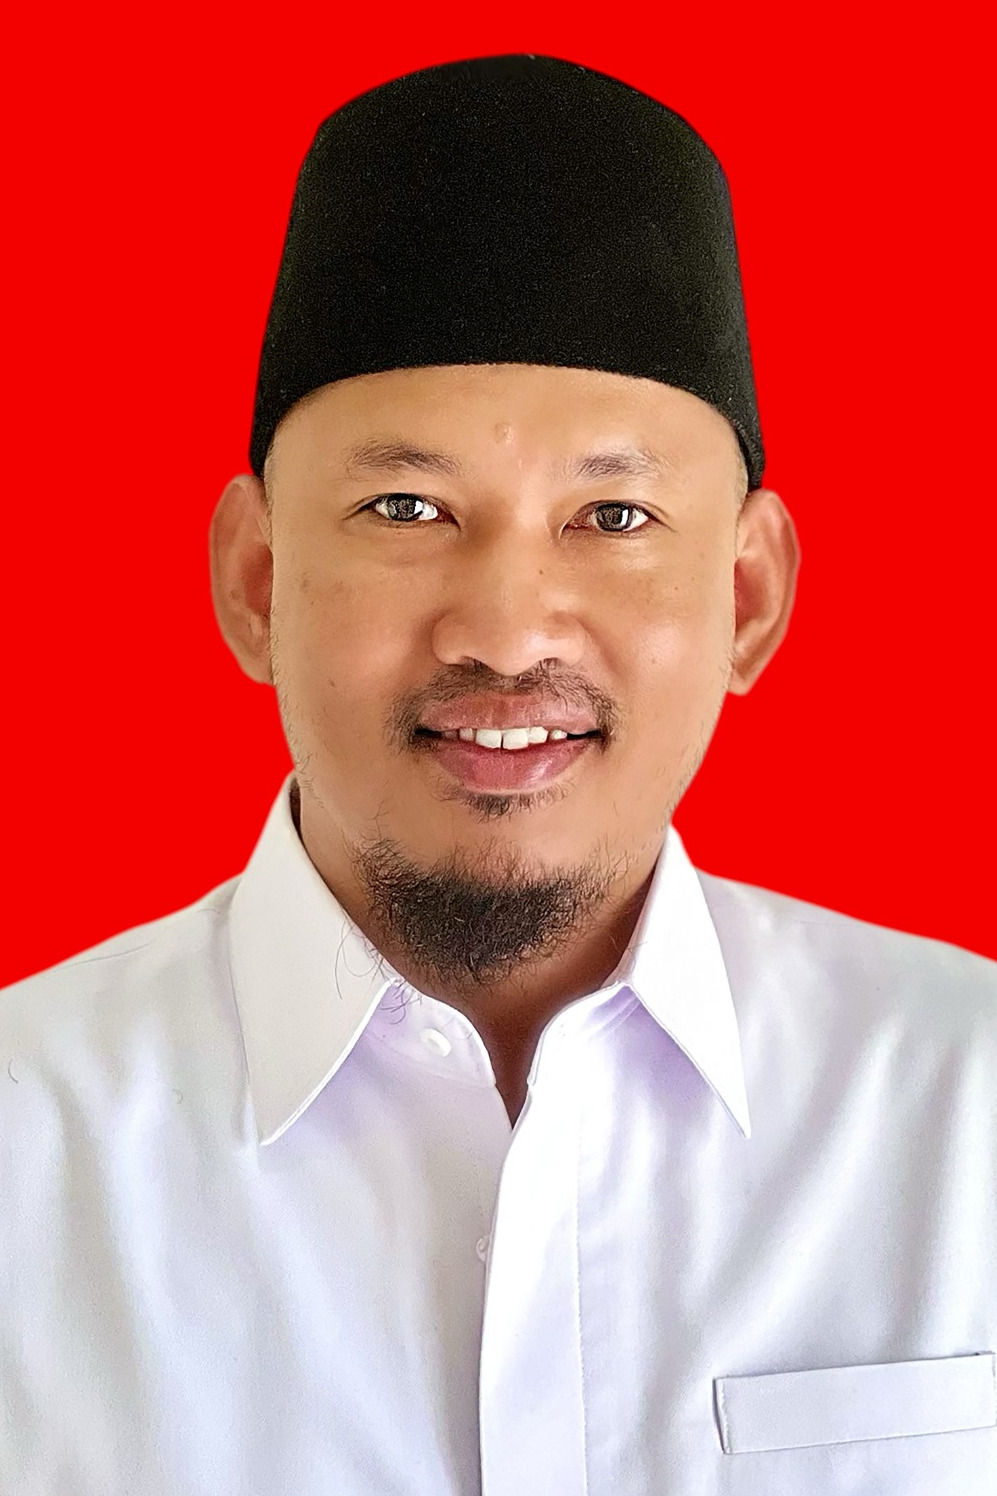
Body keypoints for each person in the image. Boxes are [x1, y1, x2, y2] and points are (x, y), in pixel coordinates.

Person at [2, 52, 995, 1496]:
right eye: (405, 507)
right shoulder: (24, 1143)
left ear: (748, 596)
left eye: (614, 515)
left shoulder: (972, 1109)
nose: (509, 629)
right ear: (259, 582)